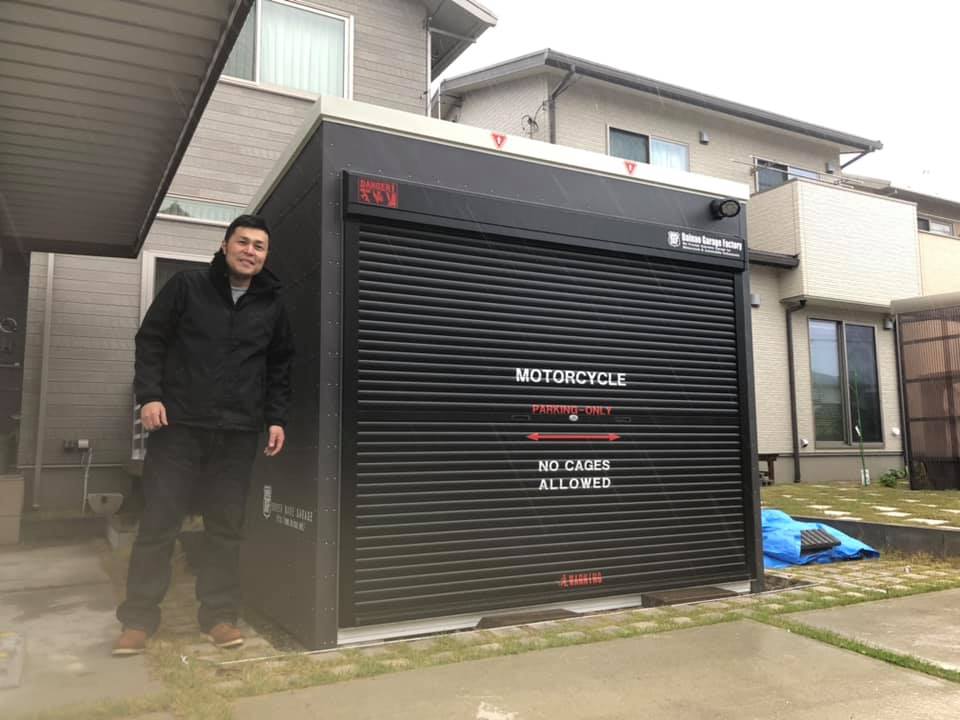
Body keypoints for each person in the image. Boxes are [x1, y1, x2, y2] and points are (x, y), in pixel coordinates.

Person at [113, 214, 294, 656]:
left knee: (226, 528)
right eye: (243, 242)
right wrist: (149, 396)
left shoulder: (271, 305)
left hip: (237, 433)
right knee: (159, 522)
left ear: (266, 256)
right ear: (225, 245)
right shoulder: (187, 287)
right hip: (179, 428)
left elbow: (279, 366)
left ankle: (218, 617)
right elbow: (151, 341)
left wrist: (275, 418)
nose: (250, 251)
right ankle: (138, 620)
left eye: (259, 246)